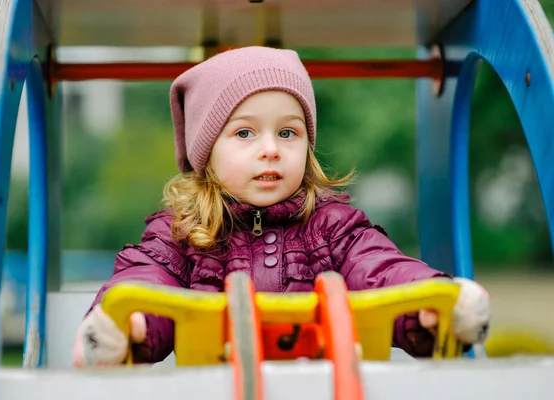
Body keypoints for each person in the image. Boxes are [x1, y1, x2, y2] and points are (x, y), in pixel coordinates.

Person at [72, 46, 490, 368]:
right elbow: (148, 280)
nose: (270, 149)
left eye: (288, 132)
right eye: (245, 133)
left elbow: (381, 269)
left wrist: (429, 303)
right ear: (207, 151)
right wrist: (125, 326)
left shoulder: (333, 227)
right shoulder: (181, 234)